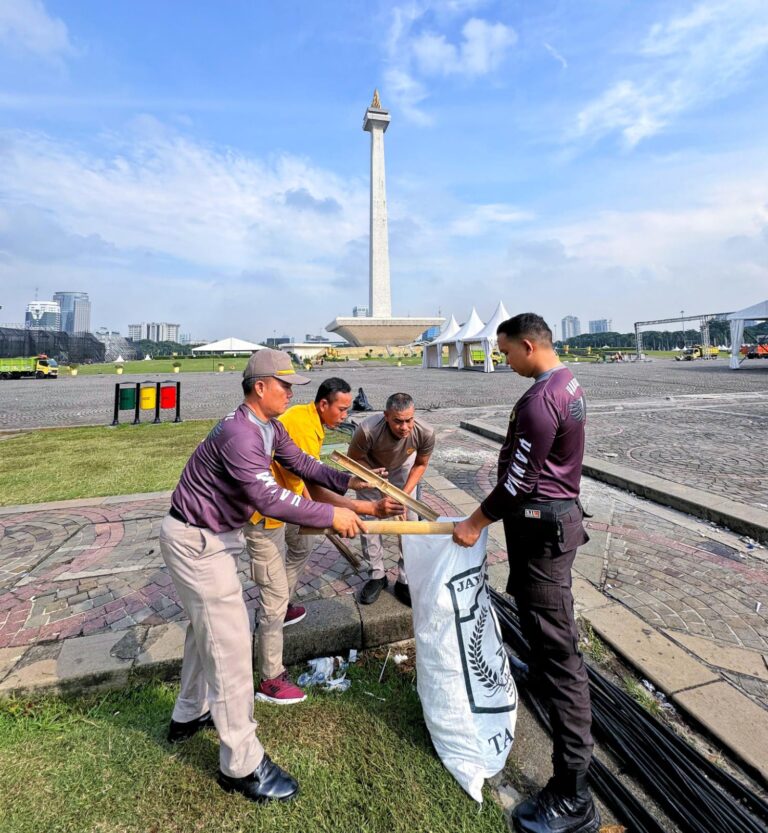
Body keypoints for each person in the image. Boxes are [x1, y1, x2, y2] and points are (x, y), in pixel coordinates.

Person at [160, 349, 376, 804]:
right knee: (232, 646)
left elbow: (303, 464)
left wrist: (351, 486)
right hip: (196, 541)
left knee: (207, 633)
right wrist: (331, 516)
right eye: (285, 384)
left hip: (209, 539)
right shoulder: (241, 434)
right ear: (260, 386)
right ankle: (241, 764)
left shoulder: (268, 426)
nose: (292, 391)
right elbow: (271, 498)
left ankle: (188, 714)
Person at [453, 313, 600, 833]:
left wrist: (474, 522)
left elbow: (518, 481)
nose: (504, 360)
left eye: (507, 351)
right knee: (539, 628)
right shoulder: (567, 382)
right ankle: (535, 672)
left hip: (544, 530)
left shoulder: (541, 400)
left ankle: (573, 790)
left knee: (560, 653)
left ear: (529, 345)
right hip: (551, 524)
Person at [243, 377, 403, 704]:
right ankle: (270, 677)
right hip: (268, 512)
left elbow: (312, 471)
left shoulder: (306, 422)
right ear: (323, 405)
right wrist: (367, 507)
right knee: (272, 593)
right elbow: (316, 489)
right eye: (341, 409)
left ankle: (282, 605)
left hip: (288, 501)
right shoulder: (296, 427)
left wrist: (352, 484)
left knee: (300, 547)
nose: (346, 414)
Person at [348, 392, 435, 607]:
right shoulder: (367, 430)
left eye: (409, 420)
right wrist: (381, 489)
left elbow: (421, 464)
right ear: (386, 415)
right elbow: (354, 459)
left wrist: (403, 496)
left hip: (404, 468)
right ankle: (377, 575)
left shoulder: (425, 432)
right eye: (398, 421)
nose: (404, 427)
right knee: (370, 524)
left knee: (408, 524)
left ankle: (405, 578)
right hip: (370, 470)